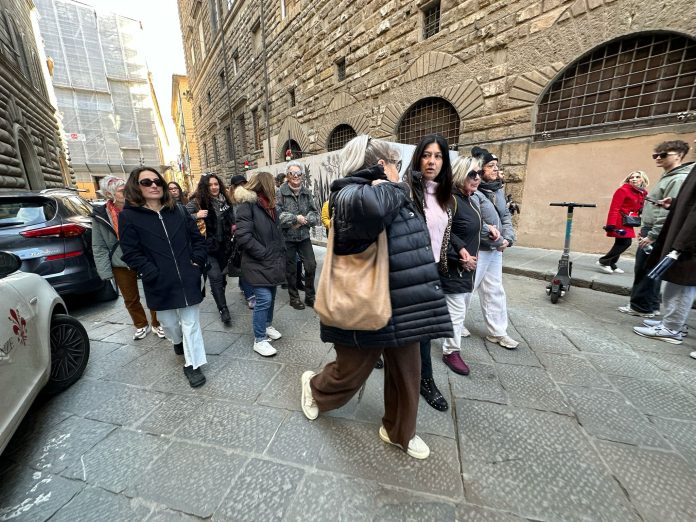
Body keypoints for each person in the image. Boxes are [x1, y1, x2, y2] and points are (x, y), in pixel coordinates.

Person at [300, 135, 453, 460]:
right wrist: (392, 182)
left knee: (406, 377)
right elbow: (370, 207)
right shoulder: (349, 196)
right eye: (395, 164)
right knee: (349, 374)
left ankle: (400, 431)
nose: (401, 171)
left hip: (404, 302)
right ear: (381, 165)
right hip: (364, 305)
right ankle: (314, 388)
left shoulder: (392, 193)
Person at [118, 167, 208, 388]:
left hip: (188, 275)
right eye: (146, 182)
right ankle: (177, 342)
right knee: (168, 324)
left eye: (157, 181)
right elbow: (130, 252)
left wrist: (197, 261)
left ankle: (193, 364)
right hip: (158, 281)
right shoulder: (128, 216)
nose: (154, 185)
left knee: (191, 323)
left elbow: (197, 238)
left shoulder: (178, 210)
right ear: (136, 187)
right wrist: (150, 271)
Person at [405, 134, 455, 411]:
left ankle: (425, 380)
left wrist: (457, 250)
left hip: (433, 269)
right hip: (408, 270)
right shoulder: (406, 191)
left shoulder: (446, 195)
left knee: (423, 331)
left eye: (437, 156)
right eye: (426, 155)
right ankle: (422, 379)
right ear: (418, 158)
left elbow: (443, 232)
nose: (431, 161)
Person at [619, 140, 693, 317]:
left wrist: (652, 235)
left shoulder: (678, 178)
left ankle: (641, 307)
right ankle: (650, 306)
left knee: (645, 269)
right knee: (651, 269)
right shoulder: (670, 176)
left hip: (656, 231)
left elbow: (666, 212)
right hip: (654, 229)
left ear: (679, 155)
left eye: (664, 154)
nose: (658, 158)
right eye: (656, 155)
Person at [634, 143, 696, 345]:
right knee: (676, 283)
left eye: (662, 154)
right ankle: (673, 322)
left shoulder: (680, 175)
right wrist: (675, 203)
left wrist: (682, 242)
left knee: (681, 284)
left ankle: (672, 328)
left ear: (677, 156)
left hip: (688, 240)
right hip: (682, 235)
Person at [92, 175, 164, 341]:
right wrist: (105, 271)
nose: (126, 192)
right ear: (110, 194)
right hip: (119, 261)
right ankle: (140, 324)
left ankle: (157, 323)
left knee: (154, 290)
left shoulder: (140, 207)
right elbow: (98, 245)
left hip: (143, 257)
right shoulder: (100, 215)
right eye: (121, 190)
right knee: (130, 298)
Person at [466, 146, 519, 349]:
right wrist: (499, 242)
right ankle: (453, 325)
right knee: (466, 289)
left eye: (497, 166)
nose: (496, 169)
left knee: (495, 290)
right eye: (491, 166)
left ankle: (498, 332)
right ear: (480, 170)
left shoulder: (498, 189)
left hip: (496, 250)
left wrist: (508, 239)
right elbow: (475, 223)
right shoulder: (472, 191)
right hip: (478, 248)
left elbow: (505, 216)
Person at [439, 156, 487, 373]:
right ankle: (451, 352)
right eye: (472, 174)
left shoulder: (469, 199)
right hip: (454, 267)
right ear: (460, 174)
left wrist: (490, 231)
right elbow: (441, 235)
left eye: (479, 174)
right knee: (457, 310)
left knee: (451, 308)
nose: (478, 178)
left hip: (465, 268)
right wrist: (460, 256)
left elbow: (469, 228)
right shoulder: (451, 200)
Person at [234, 171, 286, 357]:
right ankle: (260, 339)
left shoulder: (270, 205)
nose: (275, 186)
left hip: (272, 260)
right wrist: (263, 253)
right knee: (264, 299)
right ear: (264, 185)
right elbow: (243, 237)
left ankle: (267, 325)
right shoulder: (247, 206)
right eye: (272, 183)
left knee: (271, 295)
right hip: (258, 261)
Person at [186, 174, 235, 325]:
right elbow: (181, 217)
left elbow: (231, 218)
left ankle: (219, 294)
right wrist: (196, 215)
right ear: (204, 187)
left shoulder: (225, 200)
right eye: (210, 185)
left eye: (216, 184)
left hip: (225, 247)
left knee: (222, 279)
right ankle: (223, 309)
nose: (214, 187)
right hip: (207, 248)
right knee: (215, 277)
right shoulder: (197, 203)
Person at [277, 161, 320, 309]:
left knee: (311, 266)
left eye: (298, 174)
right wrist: (295, 218)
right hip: (288, 238)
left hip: (304, 237)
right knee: (291, 270)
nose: (295, 176)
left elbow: (315, 213)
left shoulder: (306, 192)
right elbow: (277, 215)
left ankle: (310, 296)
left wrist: (307, 220)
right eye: (292, 174)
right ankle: (294, 298)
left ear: (302, 176)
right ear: (288, 176)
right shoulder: (280, 192)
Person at [596, 171, 649, 274]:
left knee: (620, 242)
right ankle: (603, 261)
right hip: (619, 220)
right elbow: (614, 208)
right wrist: (610, 224)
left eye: (637, 177)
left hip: (628, 221)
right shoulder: (623, 190)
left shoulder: (642, 193)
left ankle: (612, 264)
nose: (633, 179)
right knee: (626, 242)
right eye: (631, 177)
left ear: (642, 179)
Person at [229, 174, 255, 309]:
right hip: (237, 239)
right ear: (233, 187)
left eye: (244, 183)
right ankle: (250, 295)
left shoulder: (249, 198)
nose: (242, 187)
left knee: (245, 265)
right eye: (239, 184)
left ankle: (244, 286)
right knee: (243, 266)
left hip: (248, 236)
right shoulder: (230, 202)